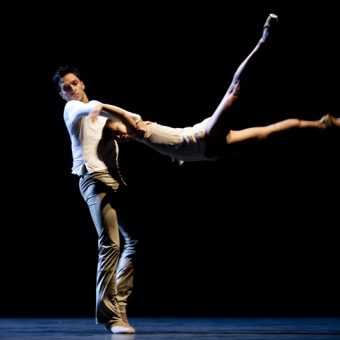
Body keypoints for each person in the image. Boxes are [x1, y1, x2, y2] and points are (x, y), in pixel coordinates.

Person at [69, 13, 339, 165]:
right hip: (206, 145)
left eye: (119, 134)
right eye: (119, 138)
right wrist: (177, 155)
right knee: (259, 120)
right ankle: (320, 123)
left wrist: (101, 106)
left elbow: (130, 123)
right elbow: (169, 143)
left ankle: (320, 122)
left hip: (206, 141)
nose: (122, 137)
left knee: (246, 104)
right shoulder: (146, 138)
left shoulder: (141, 128)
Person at [52, 72, 139, 333]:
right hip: (92, 178)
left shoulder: (100, 113)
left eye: (75, 84)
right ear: (62, 94)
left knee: (134, 240)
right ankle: (111, 317)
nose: (72, 90)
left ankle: (119, 305)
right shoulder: (73, 108)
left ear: (83, 83)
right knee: (110, 243)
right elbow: (90, 108)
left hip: (115, 178)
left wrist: (122, 130)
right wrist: (101, 108)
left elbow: (130, 121)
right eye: (66, 88)